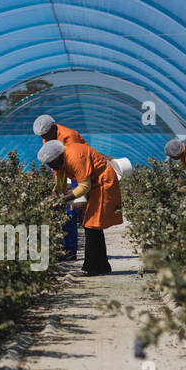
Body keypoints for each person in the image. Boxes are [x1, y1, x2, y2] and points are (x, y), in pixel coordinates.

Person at [38, 139, 122, 276]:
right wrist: (56, 192)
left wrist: (65, 199)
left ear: (58, 157)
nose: (51, 167)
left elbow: (84, 186)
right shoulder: (61, 161)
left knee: (92, 225)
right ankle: (101, 266)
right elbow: (60, 181)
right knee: (92, 225)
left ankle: (92, 267)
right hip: (95, 182)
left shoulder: (74, 157)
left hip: (103, 180)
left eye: (51, 164)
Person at [33, 115, 86, 261]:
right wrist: (57, 185)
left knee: (74, 210)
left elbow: (76, 162)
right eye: (42, 136)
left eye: (45, 135)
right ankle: (66, 248)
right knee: (65, 210)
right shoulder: (48, 136)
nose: (44, 138)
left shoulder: (69, 138)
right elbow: (56, 163)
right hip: (66, 171)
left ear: (53, 127)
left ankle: (71, 250)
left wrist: (71, 191)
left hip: (79, 172)